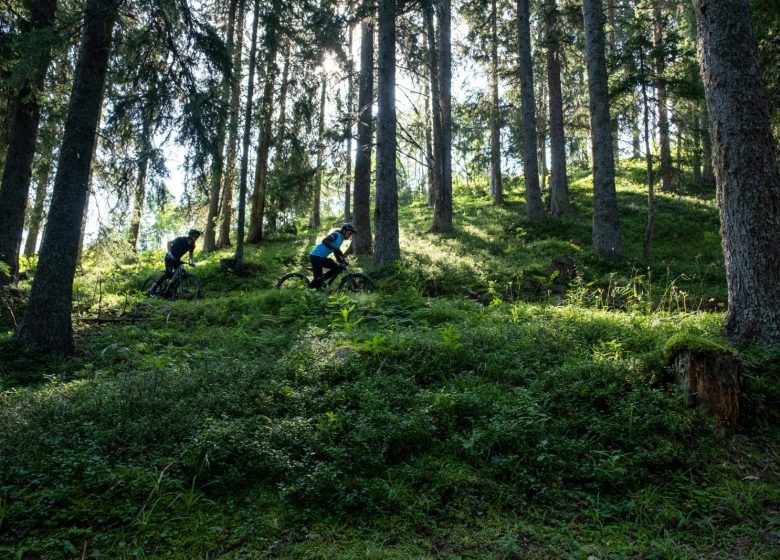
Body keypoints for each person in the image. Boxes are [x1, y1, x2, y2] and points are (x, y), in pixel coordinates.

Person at [148, 228, 201, 295]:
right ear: (191, 235)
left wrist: (192, 262)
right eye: (195, 236)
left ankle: (171, 290)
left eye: (198, 237)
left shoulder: (192, 245)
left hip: (177, 259)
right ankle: (154, 287)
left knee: (181, 273)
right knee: (168, 274)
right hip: (169, 258)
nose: (197, 238)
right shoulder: (180, 239)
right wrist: (169, 253)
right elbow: (169, 243)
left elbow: (190, 254)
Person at [309, 223, 356, 289]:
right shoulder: (336, 235)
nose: (350, 235)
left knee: (337, 268)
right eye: (349, 233)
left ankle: (322, 280)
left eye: (351, 234)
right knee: (318, 278)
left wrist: (342, 261)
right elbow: (325, 241)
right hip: (315, 256)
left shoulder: (341, 240)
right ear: (344, 231)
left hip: (322, 257)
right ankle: (309, 288)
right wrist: (334, 248)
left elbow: (336, 252)